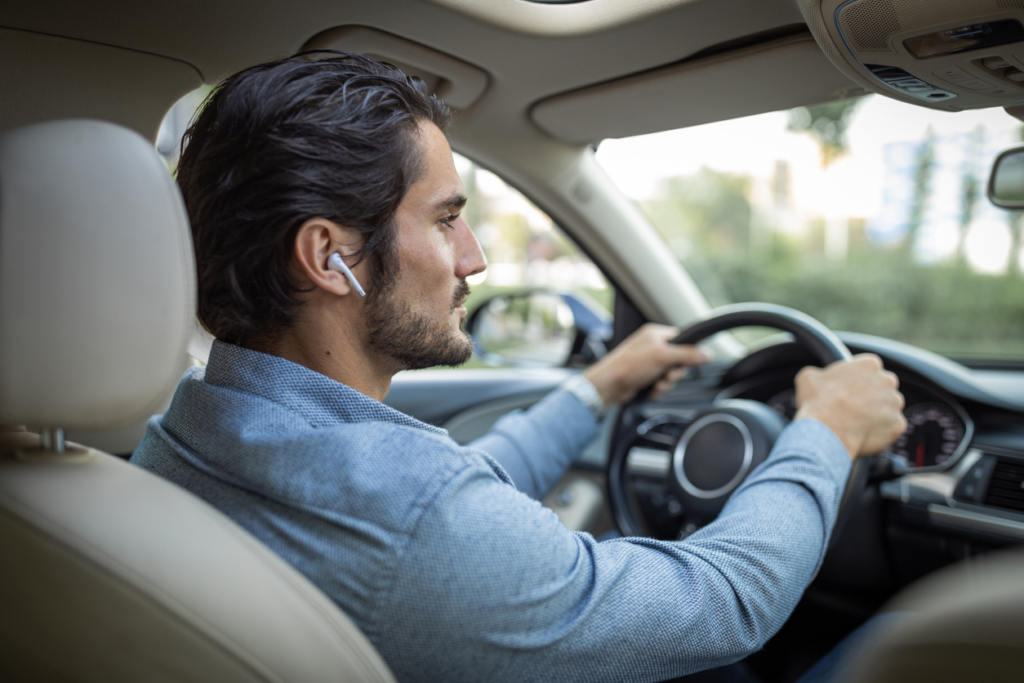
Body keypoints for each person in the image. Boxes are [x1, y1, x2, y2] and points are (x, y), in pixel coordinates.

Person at [131, 52, 907, 683]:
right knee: (915, 633)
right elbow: (721, 604)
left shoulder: (186, 432)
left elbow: (450, 510)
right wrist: (827, 432)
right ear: (330, 257)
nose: (476, 258)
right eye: (446, 220)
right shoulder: (413, 517)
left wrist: (597, 388)